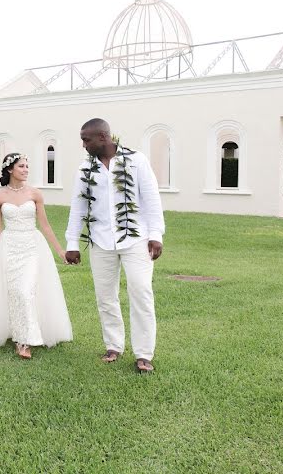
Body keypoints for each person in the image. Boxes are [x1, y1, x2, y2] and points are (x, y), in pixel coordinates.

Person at [65, 118, 165, 373]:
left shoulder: (136, 160)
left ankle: (144, 354)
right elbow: (78, 207)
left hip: (136, 239)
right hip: (100, 241)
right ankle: (114, 345)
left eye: (86, 139)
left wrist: (156, 234)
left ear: (103, 137)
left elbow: (151, 198)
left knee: (141, 292)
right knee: (105, 296)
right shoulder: (84, 169)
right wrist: (72, 242)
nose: (83, 145)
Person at [0, 153, 73, 358]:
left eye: (27, 166)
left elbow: (45, 226)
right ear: (10, 169)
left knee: (25, 291)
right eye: (22, 166)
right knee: (14, 292)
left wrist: (60, 251)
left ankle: (24, 342)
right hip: (9, 247)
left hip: (31, 247)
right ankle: (20, 336)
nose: (26, 169)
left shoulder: (35, 194)